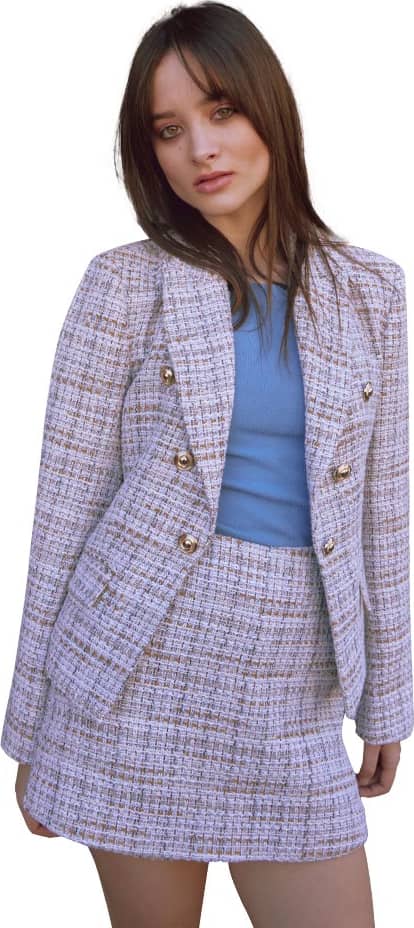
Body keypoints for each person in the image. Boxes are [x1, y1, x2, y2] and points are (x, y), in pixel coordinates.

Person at [2, 3, 412, 926]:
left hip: (293, 680)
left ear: (270, 110)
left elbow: (384, 512)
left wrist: (389, 696)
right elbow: (63, 510)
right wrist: (29, 726)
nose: (201, 149)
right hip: (134, 678)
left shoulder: (371, 291)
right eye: (168, 129)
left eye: (222, 111)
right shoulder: (124, 284)